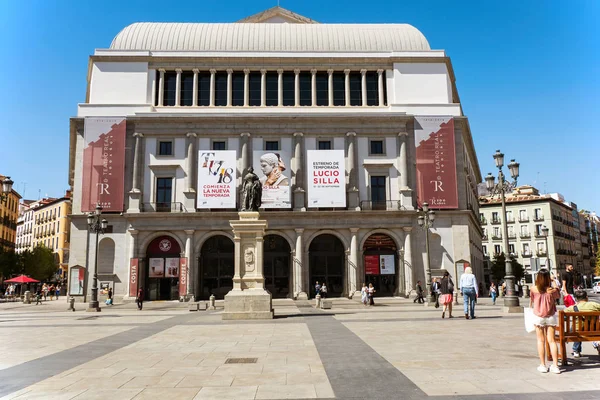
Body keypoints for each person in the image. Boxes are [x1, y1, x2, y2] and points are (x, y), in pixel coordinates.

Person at [529, 269, 561, 374]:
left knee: (540, 340)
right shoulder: (552, 290)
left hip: (538, 316)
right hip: (550, 316)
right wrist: (554, 280)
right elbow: (558, 295)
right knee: (552, 340)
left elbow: (533, 300)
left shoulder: (533, 289)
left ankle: (543, 365)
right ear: (548, 278)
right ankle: (555, 366)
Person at [564, 289, 600, 358]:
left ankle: (576, 351)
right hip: (594, 331)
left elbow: (564, 314)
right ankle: (596, 343)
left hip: (577, 332)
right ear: (586, 297)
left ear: (576, 299)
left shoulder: (573, 307)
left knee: (577, 328)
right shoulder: (594, 305)